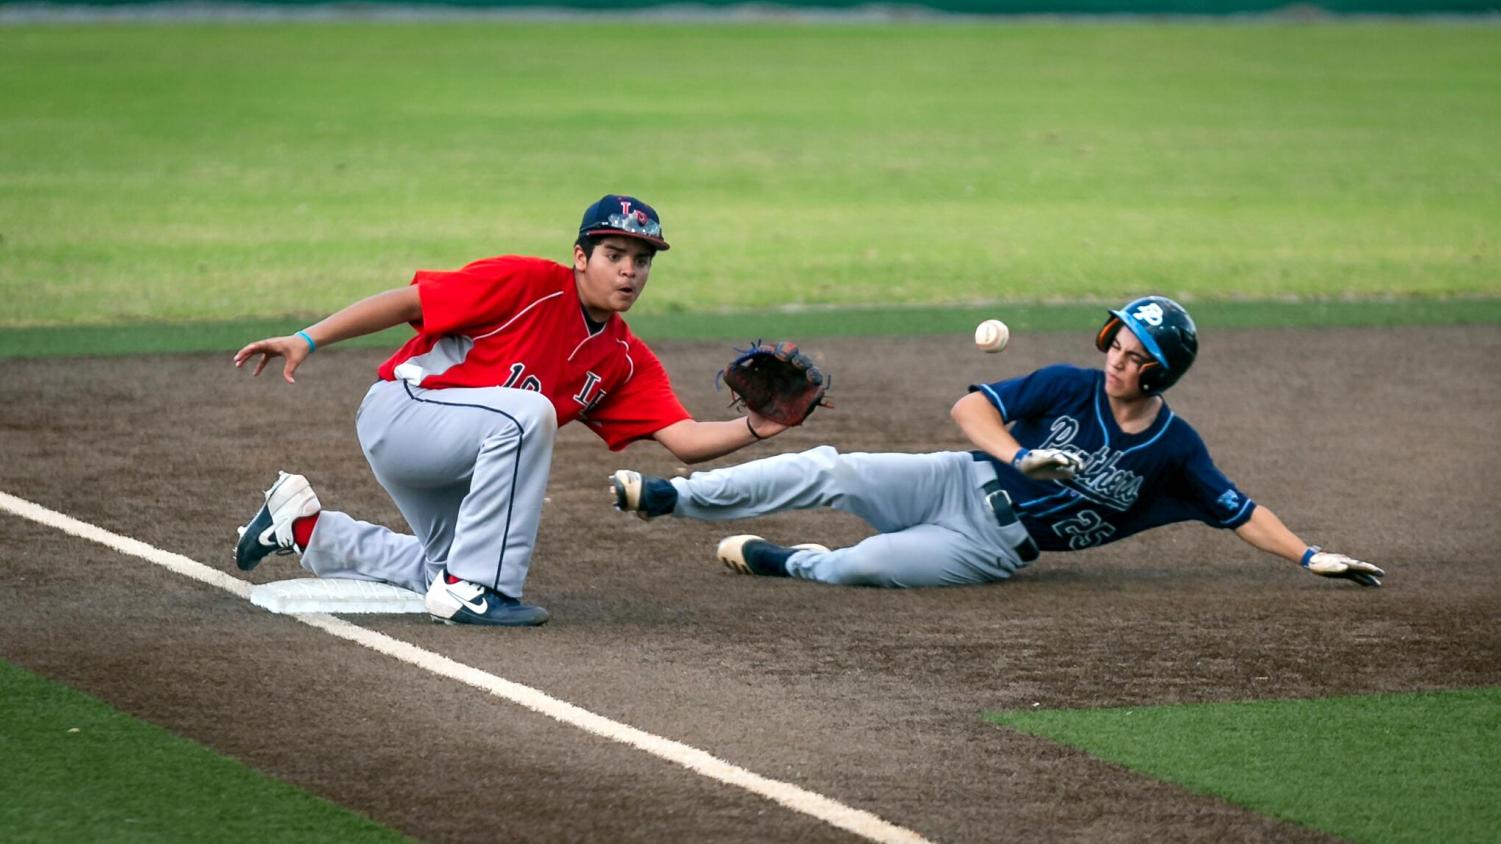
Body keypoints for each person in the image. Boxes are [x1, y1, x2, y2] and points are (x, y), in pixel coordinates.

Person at [233, 194, 798, 626]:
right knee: (530, 414)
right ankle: (478, 590)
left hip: (463, 452)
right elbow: (410, 302)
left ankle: (303, 527)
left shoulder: (624, 359)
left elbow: (683, 438)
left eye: (642, 259)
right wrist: (308, 339)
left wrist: (757, 426)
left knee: (440, 565)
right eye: (614, 255)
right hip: (404, 414)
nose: (630, 270)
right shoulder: (526, 282)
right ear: (581, 258)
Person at [611, 296, 1385, 589]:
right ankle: (674, 497)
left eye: (1134, 354)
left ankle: (781, 561)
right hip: (953, 480)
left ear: (1159, 373)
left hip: (989, 551)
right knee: (829, 469)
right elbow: (968, 410)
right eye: (1115, 343)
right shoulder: (1063, 383)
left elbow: (1239, 511)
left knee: (859, 568)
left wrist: (1311, 556)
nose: (1116, 359)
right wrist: (1017, 455)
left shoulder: (1173, 450)